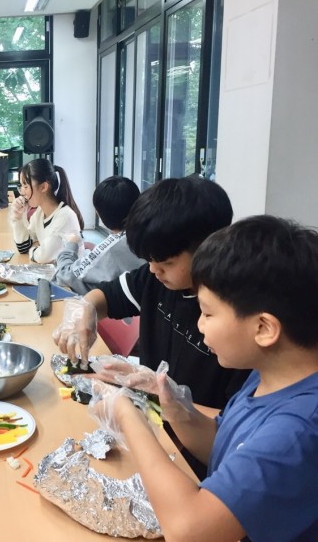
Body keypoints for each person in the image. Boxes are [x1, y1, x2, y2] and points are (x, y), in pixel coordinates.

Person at [89, 215, 318, 541]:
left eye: (208, 313)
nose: (199, 324)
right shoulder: (270, 373)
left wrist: (127, 416)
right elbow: (225, 447)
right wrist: (175, 408)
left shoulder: (298, 430)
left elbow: (189, 530)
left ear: (264, 328)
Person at [53, 176, 249, 412]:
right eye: (149, 260)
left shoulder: (234, 321)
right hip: (151, 414)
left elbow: (230, 423)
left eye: (166, 262)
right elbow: (104, 296)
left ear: (208, 249)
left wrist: (164, 399)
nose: (154, 269)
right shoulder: (156, 279)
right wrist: (85, 313)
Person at [55, 176, 143, 295]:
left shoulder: (113, 247)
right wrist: (97, 249)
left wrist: (71, 245)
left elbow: (64, 275)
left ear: (98, 213)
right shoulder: (143, 236)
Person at [9, 158, 85, 264]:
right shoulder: (40, 213)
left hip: (68, 274)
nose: (22, 192)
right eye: (21, 186)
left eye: (26, 186)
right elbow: (23, 247)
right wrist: (18, 219)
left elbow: (42, 257)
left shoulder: (65, 216)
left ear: (44, 187)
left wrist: (34, 247)